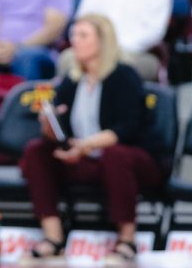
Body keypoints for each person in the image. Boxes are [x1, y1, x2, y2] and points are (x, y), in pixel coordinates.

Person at [20, 14, 162, 264]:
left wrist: (85, 146)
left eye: (82, 35)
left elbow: (127, 129)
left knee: (116, 155)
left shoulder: (124, 76)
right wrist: (49, 127)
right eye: (73, 35)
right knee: (36, 150)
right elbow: (60, 133)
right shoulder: (71, 80)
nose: (74, 40)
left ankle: (126, 241)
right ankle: (53, 237)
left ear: (103, 41)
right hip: (84, 158)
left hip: (132, 159)